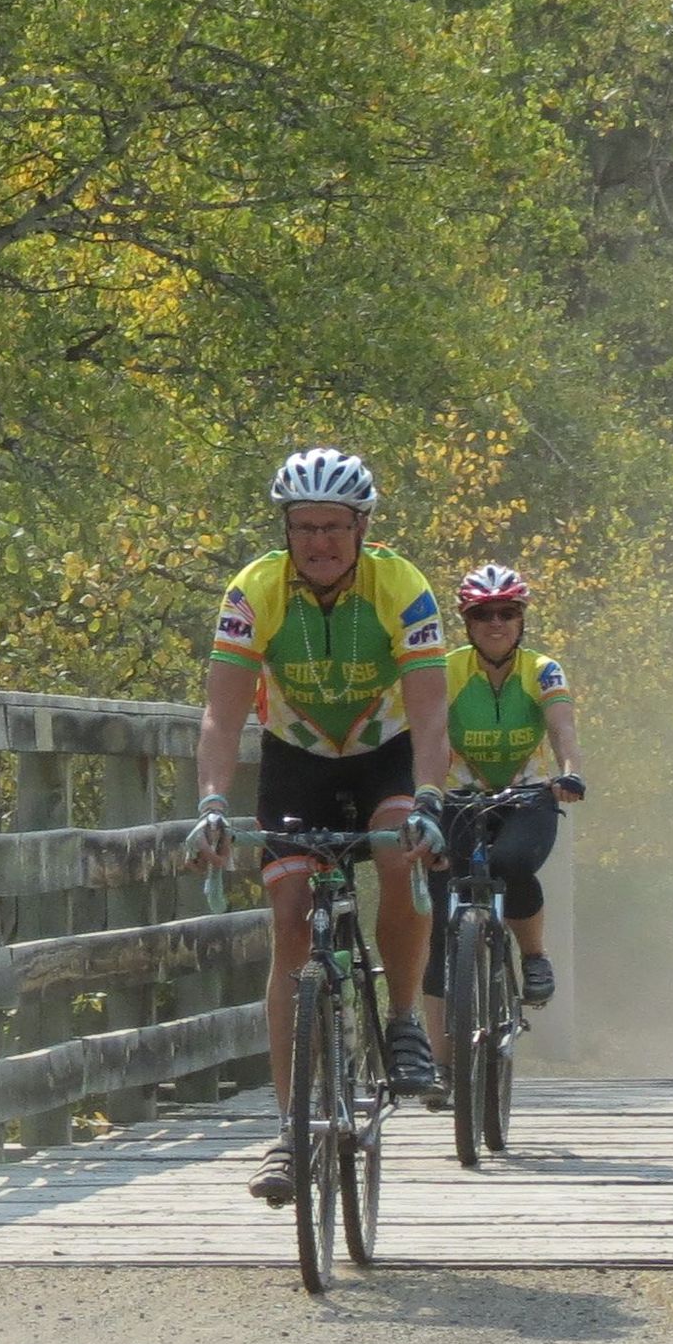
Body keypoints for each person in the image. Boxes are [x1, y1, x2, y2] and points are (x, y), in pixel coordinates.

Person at [190, 448, 454, 1205]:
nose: (319, 543)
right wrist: (211, 801)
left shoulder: (401, 587)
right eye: (303, 527)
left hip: (386, 753)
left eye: (334, 527)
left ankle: (403, 1018)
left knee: (400, 852)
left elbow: (433, 708)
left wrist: (431, 796)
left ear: (362, 527)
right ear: (286, 530)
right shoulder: (257, 589)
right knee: (289, 919)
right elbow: (222, 710)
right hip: (298, 756)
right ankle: (288, 1128)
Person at [422, 562, 586, 1033]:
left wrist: (570, 774)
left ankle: (534, 956)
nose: (496, 623)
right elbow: (427, 733)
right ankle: (442, 1066)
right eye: (482, 614)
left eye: (507, 612)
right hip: (456, 796)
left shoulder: (543, 670)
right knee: (437, 924)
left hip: (527, 795)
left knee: (512, 861)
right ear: (467, 622)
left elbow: (562, 727)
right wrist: (421, 792)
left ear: (522, 619)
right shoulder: (447, 669)